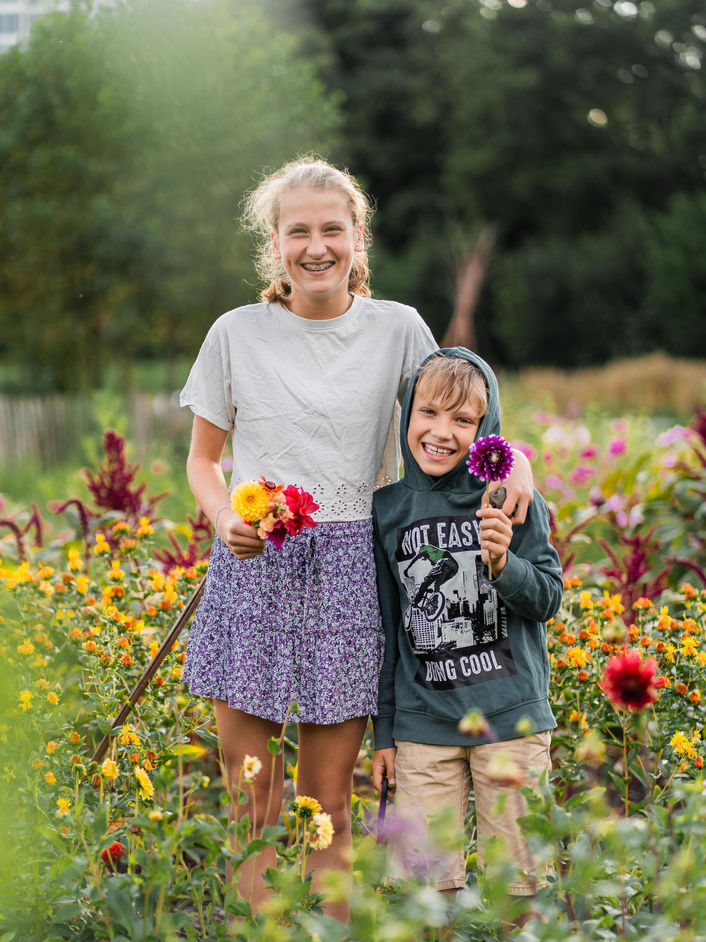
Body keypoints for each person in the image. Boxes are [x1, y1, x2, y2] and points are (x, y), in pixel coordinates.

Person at [178, 157, 535, 923]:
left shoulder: (398, 329)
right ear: (273, 243)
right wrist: (223, 520)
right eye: (297, 231)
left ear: (358, 236)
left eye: (331, 229)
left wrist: (520, 463)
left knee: (325, 807)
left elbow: (460, 412)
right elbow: (203, 460)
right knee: (252, 800)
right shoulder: (235, 333)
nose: (316, 246)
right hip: (256, 567)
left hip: (352, 570)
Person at [371, 349, 563, 910]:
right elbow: (388, 631)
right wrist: (385, 732)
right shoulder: (388, 510)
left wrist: (504, 567)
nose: (440, 432)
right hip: (424, 726)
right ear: (407, 416)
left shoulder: (510, 498)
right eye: (428, 413)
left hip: (511, 723)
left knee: (520, 887)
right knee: (424, 892)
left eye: (463, 420)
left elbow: (548, 598)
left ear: (487, 429)